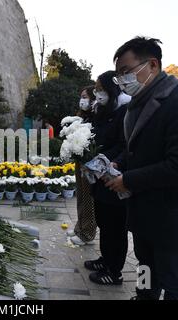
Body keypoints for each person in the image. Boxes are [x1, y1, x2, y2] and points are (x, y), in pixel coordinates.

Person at [106, 37, 178, 300]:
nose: (121, 81)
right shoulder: (136, 105)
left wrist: (128, 179)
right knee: (145, 272)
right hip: (144, 215)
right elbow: (139, 149)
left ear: (152, 65)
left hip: (173, 218)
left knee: (176, 284)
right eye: (118, 75)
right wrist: (119, 163)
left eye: (126, 72)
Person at [82, 71, 131, 285]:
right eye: (96, 89)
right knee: (103, 220)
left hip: (112, 173)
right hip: (98, 173)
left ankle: (114, 270)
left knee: (115, 226)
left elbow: (125, 144)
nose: (97, 92)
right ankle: (106, 259)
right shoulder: (101, 110)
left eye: (100, 88)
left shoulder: (124, 111)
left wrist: (112, 161)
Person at [68, 86, 97, 246]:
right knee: (81, 195)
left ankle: (87, 232)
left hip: (89, 162)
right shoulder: (83, 117)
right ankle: (80, 227)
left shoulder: (95, 116)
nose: (82, 99)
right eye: (81, 96)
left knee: (87, 197)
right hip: (81, 159)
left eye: (85, 96)